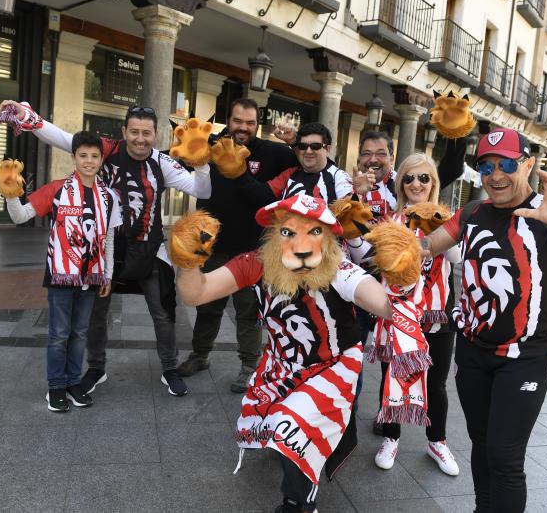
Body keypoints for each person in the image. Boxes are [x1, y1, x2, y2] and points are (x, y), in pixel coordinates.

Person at [170, 193, 422, 513]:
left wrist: (402, 275)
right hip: (280, 363)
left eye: (314, 231)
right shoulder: (257, 263)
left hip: (333, 365)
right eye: (289, 232)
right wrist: (189, 260)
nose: (301, 245)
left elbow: (385, 305)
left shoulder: (339, 270)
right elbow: (196, 294)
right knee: (280, 430)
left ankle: (298, 504)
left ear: (329, 238)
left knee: (293, 422)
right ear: (274, 235)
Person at [424, 128, 547, 513]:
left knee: (505, 455)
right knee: (481, 445)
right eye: (486, 165)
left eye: (507, 164)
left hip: (527, 355)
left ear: (528, 164)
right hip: (473, 352)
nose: (495, 174)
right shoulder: (471, 212)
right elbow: (425, 246)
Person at [0, 101, 212, 397]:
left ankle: (169, 367)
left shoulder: (162, 163)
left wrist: (201, 163)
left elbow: (202, 191)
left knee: (163, 311)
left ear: (156, 134)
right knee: (97, 314)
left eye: (146, 133)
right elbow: (63, 138)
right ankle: (96, 368)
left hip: (150, 249)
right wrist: (27, 117)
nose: (139, 138)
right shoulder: (107, 149)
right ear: (124, 131)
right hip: (105, 249)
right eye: (134, 131)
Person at [0, 131, 122, 412]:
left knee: (80, 333)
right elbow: (20, 216)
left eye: (94, 156)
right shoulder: (57, 189)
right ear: (74, 157)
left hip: (92, 277)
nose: (89, 161)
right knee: (59, 334)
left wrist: (108, 275)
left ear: (101, 160)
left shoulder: (109, 196)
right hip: (61, 275)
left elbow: (109, 238)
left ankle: (74, 382)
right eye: (83, 155)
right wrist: (12, 195)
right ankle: (55, 388)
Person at [177, 98, 300, 393]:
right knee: (208, 305)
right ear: (228, 120)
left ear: (257, 124)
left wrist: (294, 141)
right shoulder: (210, 144)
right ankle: (200, 354)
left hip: (252, 250)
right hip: (212, 245)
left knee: (249, 312)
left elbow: (309, 161)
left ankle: (249, 365)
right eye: (237, 121)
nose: (243, 128)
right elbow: (179, 160)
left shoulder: (272, 152)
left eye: (249, 122)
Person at [363, 153, 463, 476]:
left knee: (436, 384)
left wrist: (437, 232)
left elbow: (458, 258)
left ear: (433, 183)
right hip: (397, 316)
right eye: (409, 178)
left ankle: (437, 441)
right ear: (401, 184)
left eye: (423, 178)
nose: (416, 184)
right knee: (391, 378)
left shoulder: (447, 219)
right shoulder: (390, 222)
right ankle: (391, 438)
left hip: (436, 317)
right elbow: (374, 260)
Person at [226, 122, 353, 207]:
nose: (308, 151)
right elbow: (262, 194)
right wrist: (237, 171)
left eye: (315, 146)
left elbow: (349, 217)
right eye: (303, 146)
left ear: (328, 149)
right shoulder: (291, 173)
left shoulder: (340, 177)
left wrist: (358, 193)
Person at [352, 131, 466, 220]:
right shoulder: (346, 185)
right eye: (366, 154)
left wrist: (455, 130)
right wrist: (357, 194)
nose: (373, 159)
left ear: (392, 158)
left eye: (381, 154)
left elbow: (453, 168)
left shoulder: (405, 182)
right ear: (359, 157)